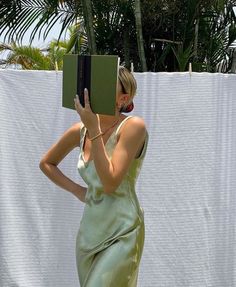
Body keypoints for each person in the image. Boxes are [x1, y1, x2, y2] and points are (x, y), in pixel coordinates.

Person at [39, 66, 149, 286]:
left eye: (105, 87)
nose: (94, 92)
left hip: (123, 230)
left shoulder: (133, 127)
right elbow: (46, 163)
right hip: (89, 233)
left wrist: (94, 128)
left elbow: (109, 183)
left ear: (123, 98)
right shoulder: (79, 131)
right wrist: (78, 191)